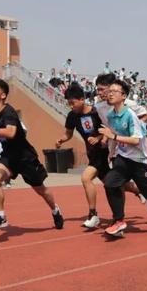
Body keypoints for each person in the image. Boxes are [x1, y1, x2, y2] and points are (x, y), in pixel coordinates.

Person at [0, 78, 64, 230]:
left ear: (3, 95)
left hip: (25, 157)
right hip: (9, 156)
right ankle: (0, 216)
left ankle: (55, 210)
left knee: (41, 190)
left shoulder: (9, 112)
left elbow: (11, 132)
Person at [98, 79, 147, 237]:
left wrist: (113, 136)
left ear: (123, 96)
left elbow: (135, 140)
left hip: (138, 161)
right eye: (109, 92)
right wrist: (111, 151)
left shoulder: (130, 115)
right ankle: (119, 220)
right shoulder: (111, 115)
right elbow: (115, 136)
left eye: (114, 92)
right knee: (110, 183)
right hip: (122, 159)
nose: (110, 94)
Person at [56, 84, 108, 228]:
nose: (71, 106)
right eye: (69, 103)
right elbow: (68, 133)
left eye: (73, 103)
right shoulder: (72, 116)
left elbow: (108, 130)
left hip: (104, 153)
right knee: (114, 184)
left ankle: (93, 214)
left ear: (82, 99)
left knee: (86, 178)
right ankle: (143, 191)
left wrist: (98, 138)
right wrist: (62, 139)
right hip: (92, 154)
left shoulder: (97, 112)